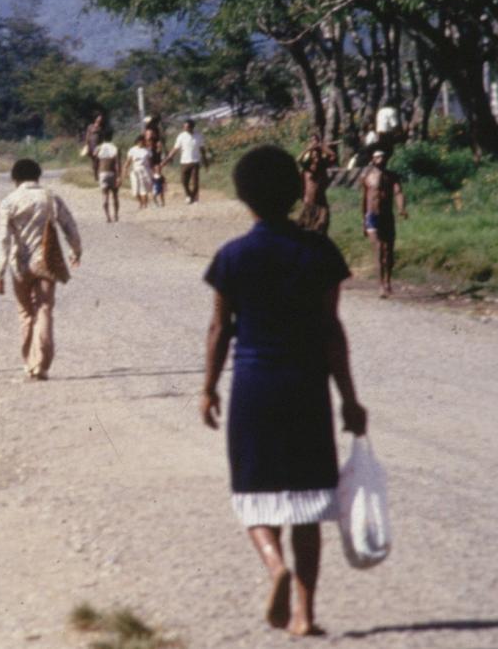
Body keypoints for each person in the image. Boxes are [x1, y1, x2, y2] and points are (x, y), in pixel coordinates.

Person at [200, 145, 367, 637]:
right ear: (296, 192)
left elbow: (219, 331)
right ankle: (305, 614)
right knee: (309, 506)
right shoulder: (320, 252)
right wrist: (349, 399)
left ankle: (275, 568)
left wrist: (208, 388)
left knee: (254, 494)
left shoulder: (232, 256)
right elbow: (331, 331)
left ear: (243, 197)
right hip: (306, 388)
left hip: (253, 386)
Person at [0, 159, 81, 380]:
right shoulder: (50, 198)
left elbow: (3, 239)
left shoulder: (8, 202)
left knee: (25, 313)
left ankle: (30, 362)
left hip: (19, 266)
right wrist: (76, 250)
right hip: (45, 262)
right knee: (44, 309)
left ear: (15, 178)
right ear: (38, 176)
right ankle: (41, 364)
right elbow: (69, 225)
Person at [359, 149, 407, 298]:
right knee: (379, 249)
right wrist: (363, 220)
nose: (381, 159)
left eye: (383, 156)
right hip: (372, 216)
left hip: (387, 216)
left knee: (389, 251)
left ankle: (388, 281)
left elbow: (398, 192)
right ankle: (380, 285)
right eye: (378, 157)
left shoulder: (392, 176)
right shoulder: (366, 176)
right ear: (373, 159)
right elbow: (364, 198)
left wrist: (401, 208)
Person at [297, 134, 338, 234]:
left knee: (322, 228)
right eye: (314, 156)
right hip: (308, 205)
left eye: (318, 156)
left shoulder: (323, 165)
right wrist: (308, 149)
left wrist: (322, 146)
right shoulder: (307, 168)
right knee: (305, 231)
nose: (316, 159)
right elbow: (298, 160)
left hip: (321, 204)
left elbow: (333, 156)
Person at [164, 119, 210, 204]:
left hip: (195, 161)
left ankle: (194, 198)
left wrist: (205, 161)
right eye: (184, 127)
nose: (185, 129)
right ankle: (189, 195)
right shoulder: (181, 136)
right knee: (184, 181)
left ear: (192, 127)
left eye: (187, 127)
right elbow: (175, 149)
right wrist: (168, 158)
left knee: (195, 181)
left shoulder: (198, 136)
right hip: (184, 161)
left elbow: (202, 149)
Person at [94, 134, 120, 222]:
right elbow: (117, 164)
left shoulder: (98, 148)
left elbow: (95, 161)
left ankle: (108, 217)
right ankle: (116, 215)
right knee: (115, 195)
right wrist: (118, 176)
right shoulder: (114, 148)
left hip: (102, 173)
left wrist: (95, 174)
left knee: (105, 196)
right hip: (112, 173)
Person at [125, 134, 152, 210]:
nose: (141, 143)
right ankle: (141, 202)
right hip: (135, 171)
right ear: (137, 142)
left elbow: (150, 162)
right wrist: (125, 169)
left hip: (145, 170)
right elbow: (128, 161)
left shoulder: (147, 150)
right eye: (139, 141)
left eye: (142, 141)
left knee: (143, 189)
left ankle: (145, 205)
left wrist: (152, 171)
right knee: (135, 190)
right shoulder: (132, 150)